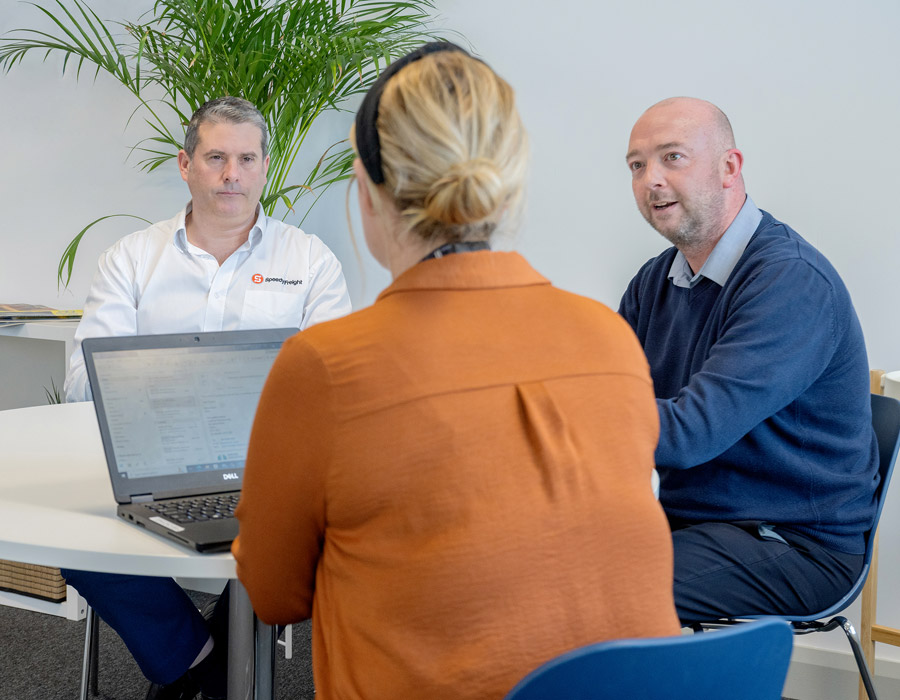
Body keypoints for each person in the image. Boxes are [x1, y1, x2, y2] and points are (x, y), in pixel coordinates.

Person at [233, 42, 680, 700]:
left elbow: (272, 594)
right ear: (506, 186)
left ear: (370, 190)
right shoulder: (608, 336)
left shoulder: (326, 367)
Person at [62, 96, 352, 700]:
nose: (231, 174)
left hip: (275, 468)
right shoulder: (132, 259)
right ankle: (200, 664)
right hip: (156, 463)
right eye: (216, 157)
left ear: (265, 167)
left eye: (247, 158)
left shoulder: (308, 261)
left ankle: (201, 679)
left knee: (333, 532)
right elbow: (85, 383)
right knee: (71, 534)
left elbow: (335, 385)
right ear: (185, 165)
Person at [619, 96, 879, 624]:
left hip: (795, 543)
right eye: (637, 165)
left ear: (729, 168)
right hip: (695, 522)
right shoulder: (653, 282)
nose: (651, 180)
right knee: (525, 556)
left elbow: (689, 433)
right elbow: (604, 392)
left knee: (596, 589)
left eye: (672, 157)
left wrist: (559, 417)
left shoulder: (791, 281)